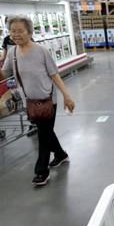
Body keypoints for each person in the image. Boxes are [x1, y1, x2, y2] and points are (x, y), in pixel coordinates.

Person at [0, 15, 75, 186]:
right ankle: (61, 155)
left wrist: (67, 95)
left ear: (29, 31)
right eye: (12, 31)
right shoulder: (12, 52)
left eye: (20, 31)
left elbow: (54, 75)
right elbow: (4, 74)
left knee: (43, 134)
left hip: (49, 101)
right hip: (30, 102)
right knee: (46, 131)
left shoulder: (41, 51)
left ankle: (42, 171)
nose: (16, 34)